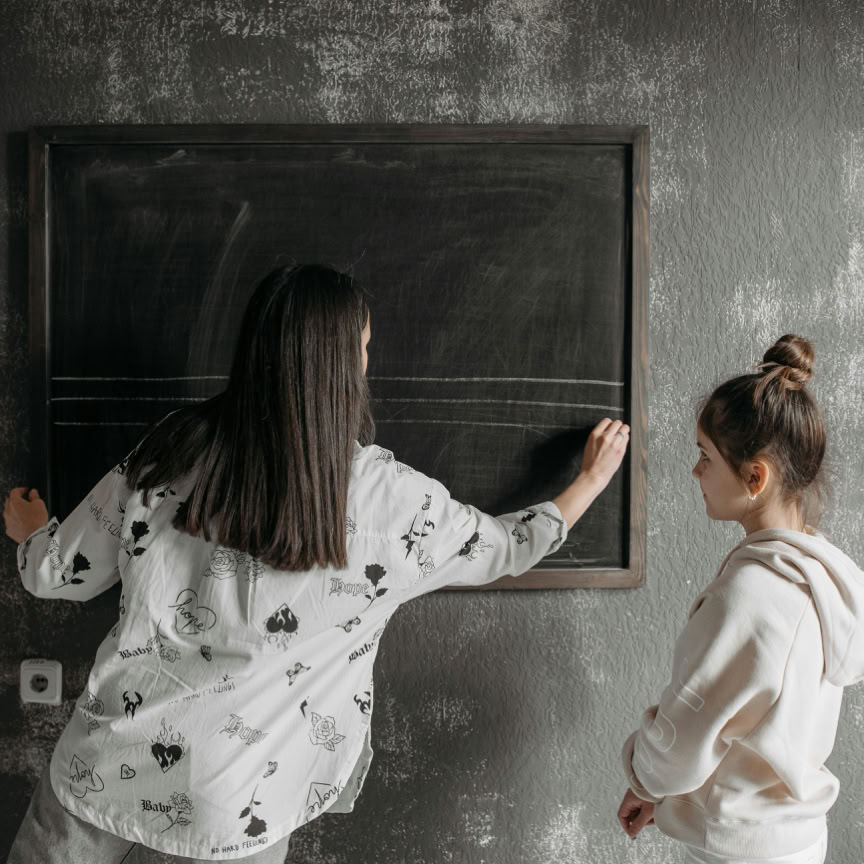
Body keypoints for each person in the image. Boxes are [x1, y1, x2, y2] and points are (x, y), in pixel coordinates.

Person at [5, 263, 630, 862]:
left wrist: (34, 534)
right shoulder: (388, 501)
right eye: (363, 346)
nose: (367, 361)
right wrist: (589, 483)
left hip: (106, 766)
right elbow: (502, 548)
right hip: (241, 798)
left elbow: (60, 574)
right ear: (339, 366)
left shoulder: (172, 447)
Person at [617, 334, 864, 864]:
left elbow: (687, 733)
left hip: (742, 851)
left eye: (705, 456)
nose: (695, 472)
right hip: (796, 840)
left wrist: (645, 779)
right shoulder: (819, 578)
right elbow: (754, 725)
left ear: (755, 478)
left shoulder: (752, 595)